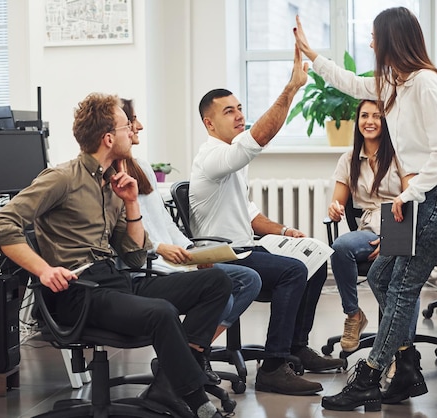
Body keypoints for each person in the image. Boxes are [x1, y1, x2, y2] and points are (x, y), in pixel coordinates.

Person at [0, 92, 232, 418]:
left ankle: (167, 388)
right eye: (124, 127)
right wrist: (44, 270)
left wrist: (131, 203)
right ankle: (197, 401)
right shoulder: (62, 178)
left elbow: (132, 258)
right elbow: (1, 225)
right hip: (79, 291)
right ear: (107, 138)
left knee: (216, 281)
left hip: (114, 282)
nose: (132, 133)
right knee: (161, 312)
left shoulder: (112, 184)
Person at [295, 7, 437, 412]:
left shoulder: (427, 83)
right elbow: (351, 82)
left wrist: (410, 195)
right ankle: (408, 366)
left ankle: (371, 377)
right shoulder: (394, 83)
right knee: (379, 275)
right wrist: (312, 55)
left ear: (392, 38)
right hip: (426, 194)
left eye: (375, 36)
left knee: (402, 284)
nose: (371, 43)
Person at [189, 46, 344, 397]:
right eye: (229, 112)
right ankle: (274, 366)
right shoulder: (211, 156)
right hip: (223, 253)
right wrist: (291, 88)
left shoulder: (232, 161)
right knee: (293, 271)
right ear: (209, 123)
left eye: (240, 108)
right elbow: (258, 139)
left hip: (245, 245)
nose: (239, 115)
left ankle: (295, 347)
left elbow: (250, 214)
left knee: (316, 255)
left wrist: (287, 232)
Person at [120, 98, 262, 384]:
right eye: (132, 120)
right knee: (222, 288)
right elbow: (125, 239)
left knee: (249, 280)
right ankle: (187, 360)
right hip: (149, 267)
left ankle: (187, 355)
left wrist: (192, 250)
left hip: (176, 260)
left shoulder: (142, 168)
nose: (140, 126)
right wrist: (160, 249)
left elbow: (164, 223)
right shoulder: (110, 180)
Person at [329, 99, 410, 353]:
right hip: (368, 229)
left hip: (399, 225)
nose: (370, 121)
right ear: (358, 121)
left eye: (377, 116)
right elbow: (338, 200)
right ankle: (354, 316)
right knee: (340, 246)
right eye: (365, 116)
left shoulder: (400, 154)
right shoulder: (349, 159)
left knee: (404, 275)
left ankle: (400, 347)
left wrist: (391, 239)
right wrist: (334, 208)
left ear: (386, 122)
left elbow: (411, 199)